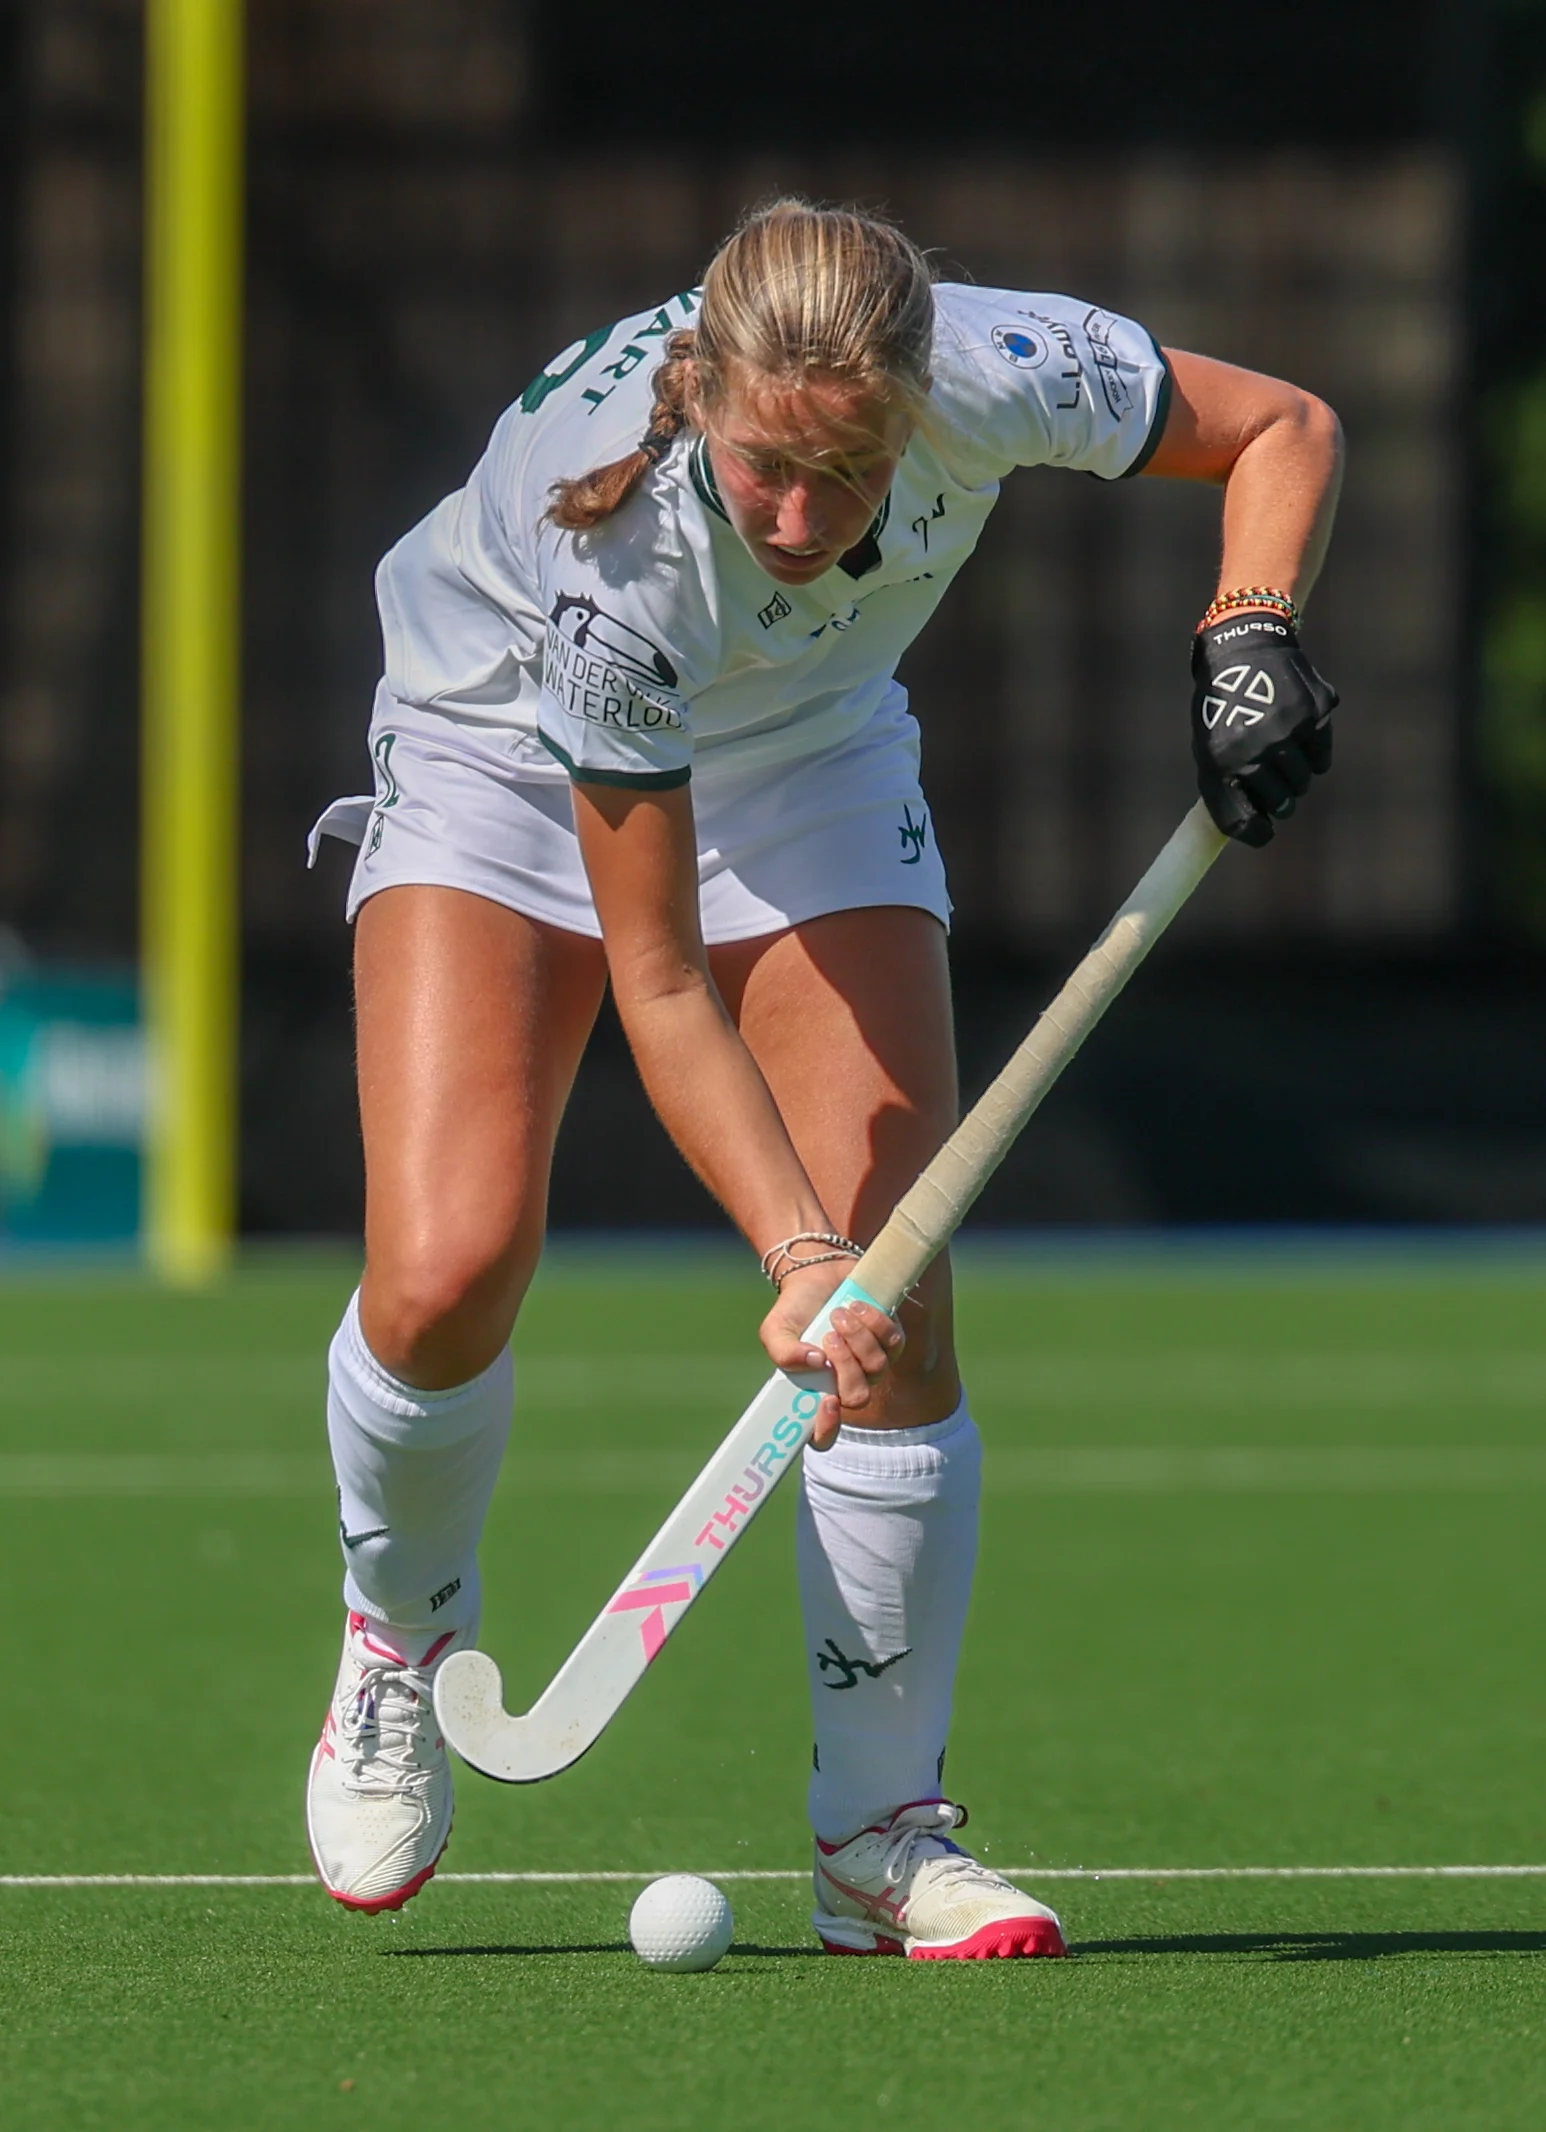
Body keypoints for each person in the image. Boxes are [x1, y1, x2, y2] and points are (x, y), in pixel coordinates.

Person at [303, 200, 1342, 1956]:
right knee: (445, 1269)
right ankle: (396, 1633)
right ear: (700, 395)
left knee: (903, 1300)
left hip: (809, 756)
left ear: (916, 403)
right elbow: (654, 975)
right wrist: (793, 1255)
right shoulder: (620, 549)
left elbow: (1283, 426)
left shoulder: (999, 369)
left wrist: (1248, 633)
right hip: (500, 743)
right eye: (768, 467)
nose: (801, 519)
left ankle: (879, 1838)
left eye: (849, 470)